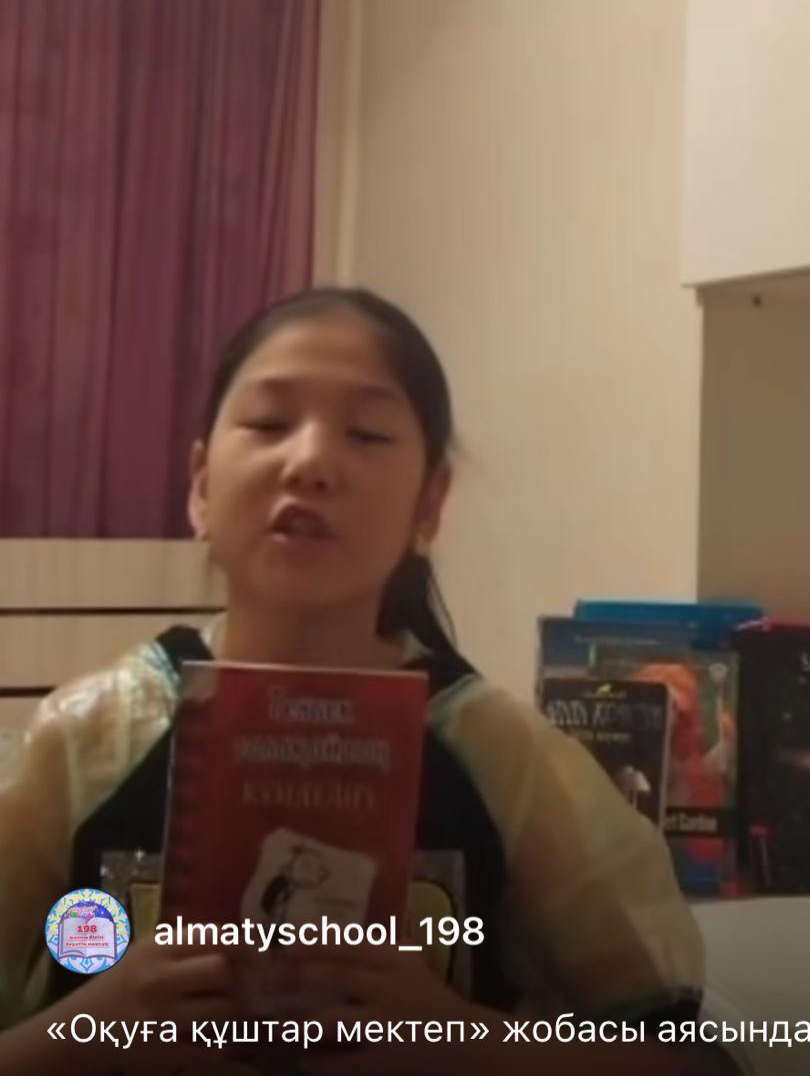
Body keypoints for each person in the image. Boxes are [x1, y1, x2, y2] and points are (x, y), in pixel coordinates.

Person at [0, 287, 730, 1074]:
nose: (310, 462)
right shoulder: (91, 738)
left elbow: (683, 1059)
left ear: (429, 504)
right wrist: (89, 1030)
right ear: (202, 485)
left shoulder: (502, 756)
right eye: (270, 423)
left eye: (368, 433)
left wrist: (459, 1040)